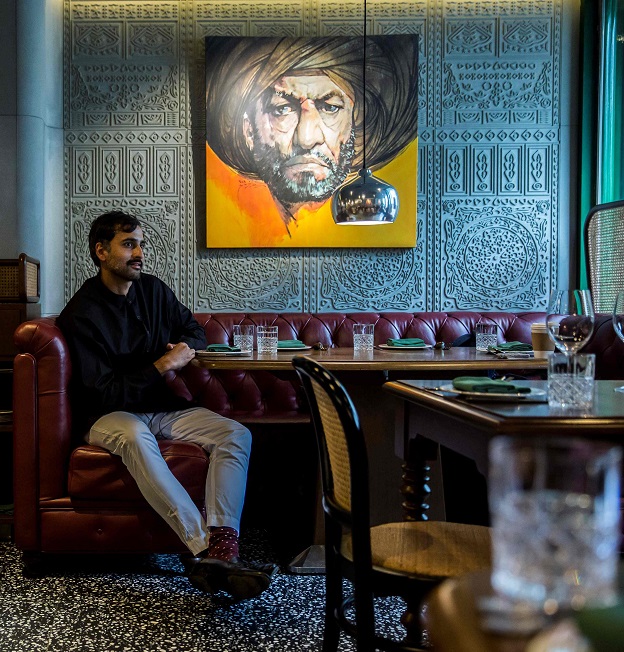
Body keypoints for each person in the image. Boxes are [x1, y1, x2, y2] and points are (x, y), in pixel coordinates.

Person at [56, 210, 276, 600]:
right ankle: (204, 549)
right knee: (137, 436)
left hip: (162, 406)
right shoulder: (81, 314)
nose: (139, 252)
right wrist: (160, 366)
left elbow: (194, 331)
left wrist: (184, 348)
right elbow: (103, 392)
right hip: (107, 415)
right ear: (101, 252)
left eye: (140, 243)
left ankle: (224, 545)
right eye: (129, 244)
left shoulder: (153, 291)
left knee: (234, 433)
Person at [205, 35, 419, 247]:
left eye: (330, 108)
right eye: (283, 109)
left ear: (353, 124)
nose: (307, 138)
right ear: (249, 130)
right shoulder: (240, 222)